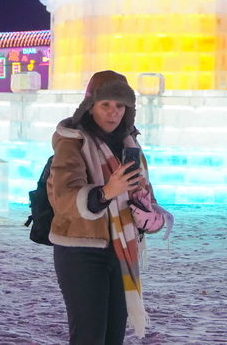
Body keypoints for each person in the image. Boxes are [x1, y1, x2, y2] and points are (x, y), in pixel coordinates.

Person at [48, 70, 160, 344]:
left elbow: (147, 194)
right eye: (105, 104)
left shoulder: (129, 143)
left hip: (119, 252)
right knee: (89, 337)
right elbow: (62, 197)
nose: (113, 112)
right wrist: (107, 191)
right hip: (80, 252)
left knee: (112, 338)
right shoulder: (72, 141)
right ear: (90, 106)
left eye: (120, 105)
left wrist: (147, 211)